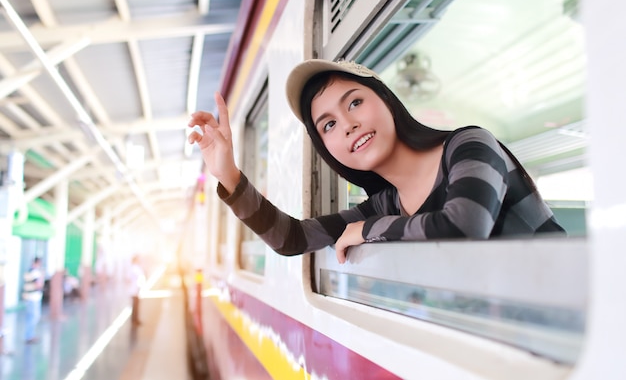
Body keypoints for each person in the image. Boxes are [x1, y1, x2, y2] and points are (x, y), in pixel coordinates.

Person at [187, 59, 565, 264]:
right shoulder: (388, 200)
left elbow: (463, 228)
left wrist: (368, 229)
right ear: (326, 146)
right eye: (329, 124)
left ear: (386, 101)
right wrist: (230, 176)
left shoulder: (468, 145)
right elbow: (293, 239)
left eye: (355, 102)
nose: (348, 125)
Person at [22, 257, 44, 344]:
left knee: (30, 317)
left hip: (29, 297)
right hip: (33, 297)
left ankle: (29, 335)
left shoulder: (29, 271)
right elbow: (39, 285)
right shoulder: (35, 272)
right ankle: (29, 336)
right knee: (34, 316)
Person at [126, 255, 145, 326]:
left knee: (136, 306)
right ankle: (134, 320)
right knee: (135, 306)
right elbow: (129, 279)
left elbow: (128, 279)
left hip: (135, 289)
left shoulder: (134, 268)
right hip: (135, 290)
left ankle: (135, 319)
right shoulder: (135, 268)